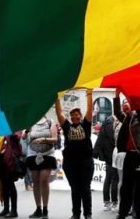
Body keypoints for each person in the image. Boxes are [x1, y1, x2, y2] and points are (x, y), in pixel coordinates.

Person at [113, 90, 140, 219]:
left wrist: (132, 97)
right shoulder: (128, 118)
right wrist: (117, 96)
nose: (128, 106)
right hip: (130, 155)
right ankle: (123, 212)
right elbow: (117, 113)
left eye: (130, 104)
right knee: (126, 185)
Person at [55, 89, 94, 219]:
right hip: (70, 164)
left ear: (80, 116)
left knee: (85, 188)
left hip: (86, 162)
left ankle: (87, 213)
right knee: (75, 189)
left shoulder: (86, 125)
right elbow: (59, 112)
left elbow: (90, 109)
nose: (74, 116)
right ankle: (76, 214)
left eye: (76, 114)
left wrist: (89, 94)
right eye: (72, 115)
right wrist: (57, 97)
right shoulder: (67, 127)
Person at [23, 117, 57, 219]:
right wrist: (28, 129)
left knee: (43, 180)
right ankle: (38, 208)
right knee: (36, 182)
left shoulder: (50, 122)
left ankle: (45, 209)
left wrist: (43, 139)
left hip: (47, 155)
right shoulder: (30, 121)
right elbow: (24, 137)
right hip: (33, 154)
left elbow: (55, 139)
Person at [0, 134, 23, 218]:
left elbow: (17, 137)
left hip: (9, 159)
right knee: (3, 185)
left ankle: (14, 210)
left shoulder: (12, 127)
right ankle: (6, 208)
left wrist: (9, 132)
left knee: (10, 184)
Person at [93, 114, 118, 211]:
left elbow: (100, 140)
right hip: (111, 154)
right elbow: (113, 140)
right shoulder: (110, 125)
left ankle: (107, 201)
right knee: (113, 179)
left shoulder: (106, 123)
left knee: (109, 178)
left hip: (107, 154)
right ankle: (113, 202)